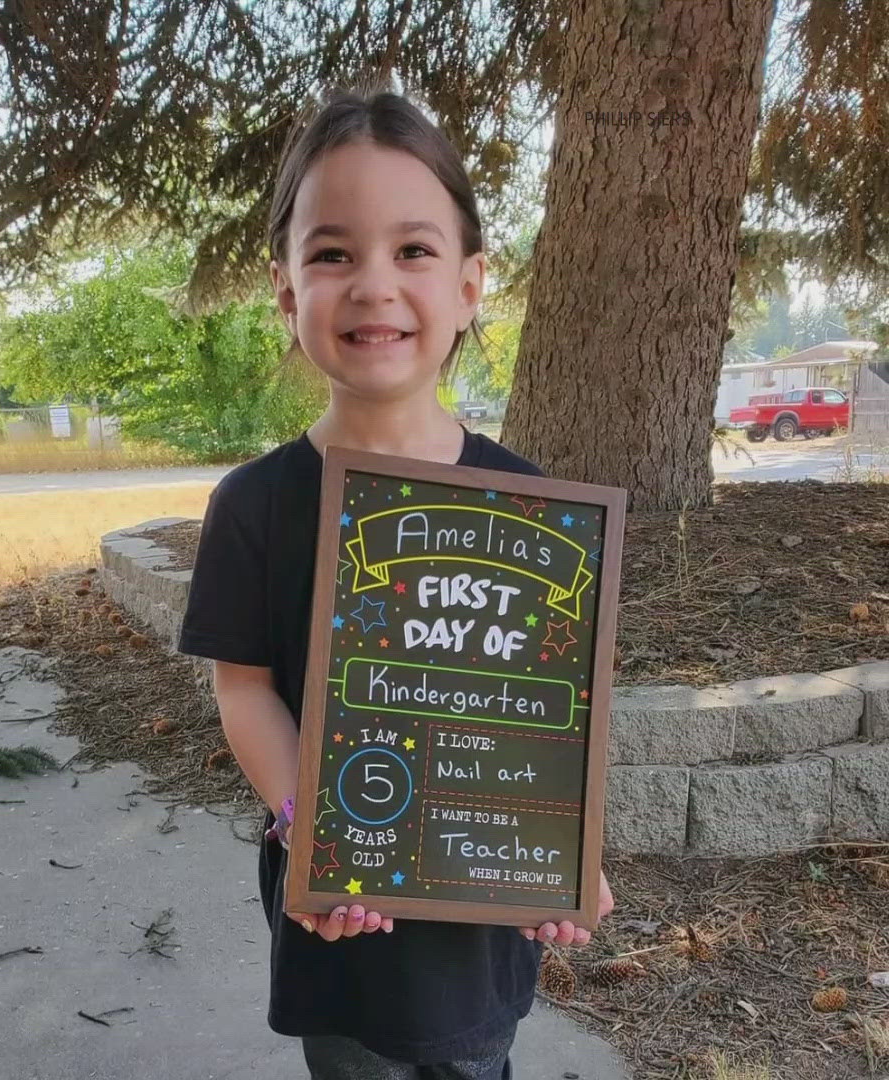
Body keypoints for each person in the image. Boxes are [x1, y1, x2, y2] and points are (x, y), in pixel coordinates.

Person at [177, 88, 614, 1080]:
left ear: (469, 287)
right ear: (289, 296)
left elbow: (547, 710)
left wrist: (564, 845)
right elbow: (242, 688)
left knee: (476, 1063)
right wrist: (309, 830)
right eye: (332, 253)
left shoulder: (528, 500)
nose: (373, 284)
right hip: (342, 913)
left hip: (476, 921)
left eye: (412, 251)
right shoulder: (255, 505)